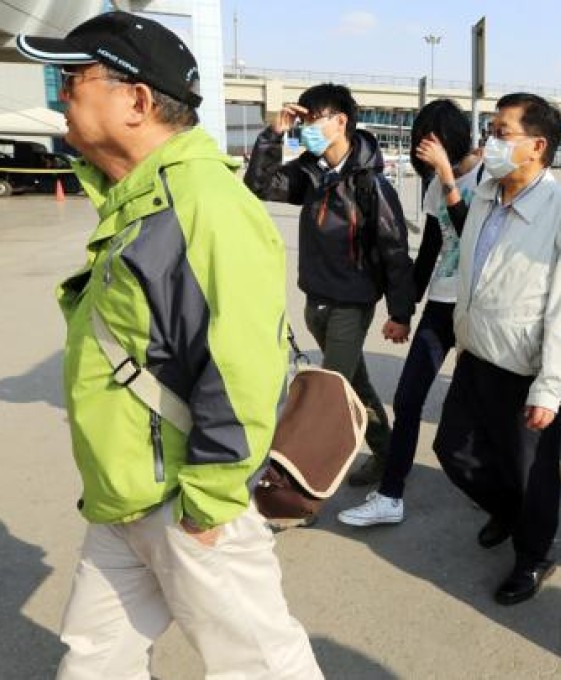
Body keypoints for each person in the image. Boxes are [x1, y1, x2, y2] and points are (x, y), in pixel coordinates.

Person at [16, 12, 323, 678]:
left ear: (136, 100)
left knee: (259, 664)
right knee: (95, 659)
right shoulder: (142, 199)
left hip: (184, 498)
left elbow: (243, 363)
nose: (60, 95)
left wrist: (208, 502)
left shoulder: (203, 203)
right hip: (126, 496)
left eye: (72, 79)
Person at [432, 93, 561, 605]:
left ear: (537, 146)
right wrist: (463, 335)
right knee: (453, 450)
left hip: (527, 368)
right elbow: (473, 271)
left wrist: (550, 388)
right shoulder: (485, 194)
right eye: (491, 132)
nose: (490, 142)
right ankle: (505, 509)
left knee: (532, 475)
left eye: (502, 133)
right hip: (477, 353)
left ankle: (534, 555)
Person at [245, 83, 416, 489]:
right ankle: (389, 455)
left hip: (350, 305)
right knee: (354, 384)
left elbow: (394, 250)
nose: (305, 127)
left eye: (312, 119)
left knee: (326, 396)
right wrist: (273, 135)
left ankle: (303, 489)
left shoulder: (371, 184)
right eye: (302, 120)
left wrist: (400, 313)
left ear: (340, 122)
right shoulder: (310, 173)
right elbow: (259, 186)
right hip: (315, 299)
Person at [339, 98, 481, 526]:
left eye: (430, 147)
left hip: (480, 308)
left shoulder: (489, 178)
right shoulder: (436, 185)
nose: (425, 157)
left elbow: (474, 238)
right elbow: (433, 250)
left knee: (479, 406)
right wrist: (403, 312)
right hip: (441, 304)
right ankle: (391, 495)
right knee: (407, 398)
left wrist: (448, 177)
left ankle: (490, 485)